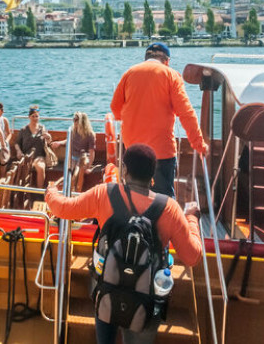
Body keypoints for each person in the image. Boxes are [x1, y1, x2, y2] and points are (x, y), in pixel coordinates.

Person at [45, 144, 203, 344]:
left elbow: (64, 208)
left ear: (125, 170)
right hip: (146, 299)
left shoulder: (103, 194)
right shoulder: (169, 209)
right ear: (152, 175)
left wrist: (50, 192)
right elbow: (192, 256)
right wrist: (192, 219)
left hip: (107, 288)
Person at [110, 42, 208, 198]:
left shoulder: (129, 73)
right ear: (167, 61)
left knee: (133, 198)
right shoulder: (170, 75)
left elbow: (115, 109)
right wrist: (198, 144)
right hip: (161, 152)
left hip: (133, 150)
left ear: (146, 58)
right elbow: (186, 113)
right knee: (163, 201)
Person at [53, 111, 96, 189]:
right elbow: (69, 140)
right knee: (69, 175)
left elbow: (91, 152)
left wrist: (89, 165)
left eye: (76, 120)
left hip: (83, 158)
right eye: (74, 119)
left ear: (82, 122)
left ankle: (77, 191)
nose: (74, 121)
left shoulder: (90, 134)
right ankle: (56, 186)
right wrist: (59, 143)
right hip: (73, 158)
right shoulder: (73, 131)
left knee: (77, 173)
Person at [14, 105, 53, 187]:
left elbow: (49, 142)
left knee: (41, 168)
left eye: (37, 116)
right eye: (33, 116)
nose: (35, 118)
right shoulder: (23, 130)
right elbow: (17, 143)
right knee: (20, 168)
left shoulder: (42, 128)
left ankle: (39, 190)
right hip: (27, 156)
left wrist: (48, 137)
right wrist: (18, 151)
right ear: (29, 117)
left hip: (39, 156)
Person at [0, 101, 12, 165]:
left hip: (3, 144)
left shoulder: (4, 120)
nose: (3, 111)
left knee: (3, 162)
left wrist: (6, 141)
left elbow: (9, 133)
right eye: (2, 110)